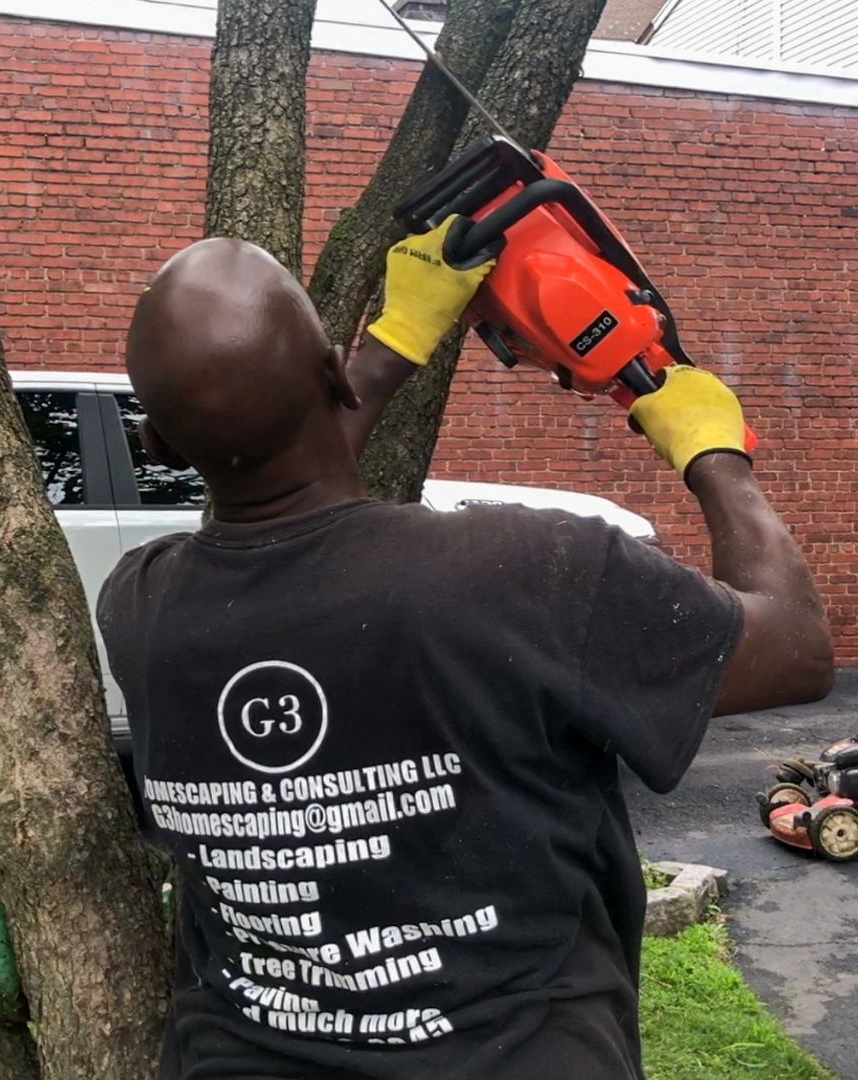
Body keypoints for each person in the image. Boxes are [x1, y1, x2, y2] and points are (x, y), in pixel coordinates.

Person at [98, 217, 833, 1080]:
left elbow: (274, 516)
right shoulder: (525, 573)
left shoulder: (142, 608)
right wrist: (713, 451)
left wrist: (395, 341)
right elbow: (794, 646)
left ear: (157, 444)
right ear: (330, 374)